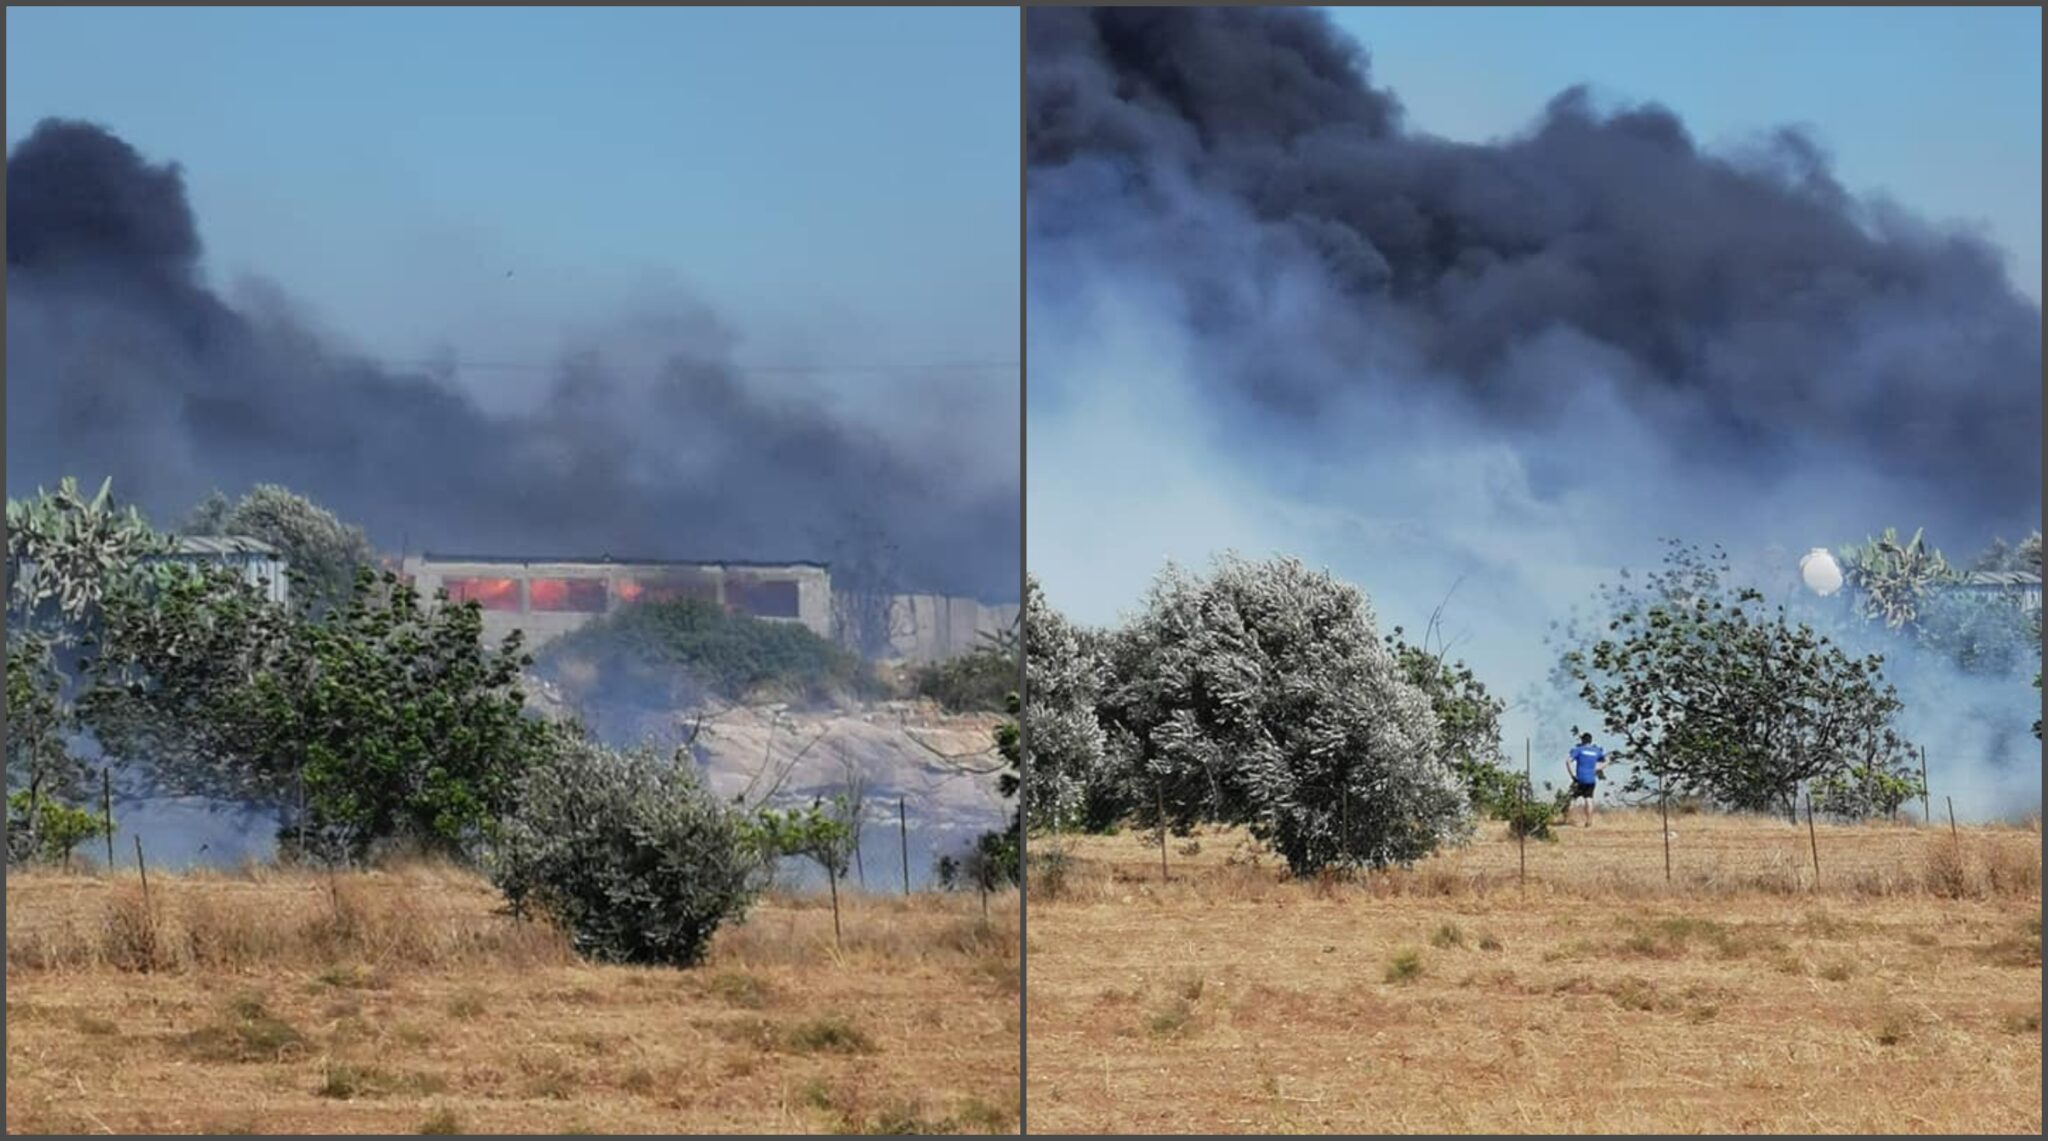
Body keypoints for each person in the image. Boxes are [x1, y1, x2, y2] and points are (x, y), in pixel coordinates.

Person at [1565, 733, 1606, 827]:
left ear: (1582, 740)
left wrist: (1572, 775)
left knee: (1573, 798)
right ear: (1591, 740)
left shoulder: (1579, 750)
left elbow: (1568, 761)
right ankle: (1589, 821)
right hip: (1591, 779)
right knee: (1589, 799)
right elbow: (1607, 760)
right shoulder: (1596, 751)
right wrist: (1599, 768)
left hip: (1580, 778)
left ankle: (1567, 820)